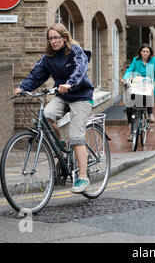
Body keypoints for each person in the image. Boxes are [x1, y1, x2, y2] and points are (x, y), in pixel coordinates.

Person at [13, 23, 94, 194]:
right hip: (62, 95)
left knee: (76, 136)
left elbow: (80, 68)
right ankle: (61, 147)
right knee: (46, 117)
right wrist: (22, 87)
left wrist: (69, 83)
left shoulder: (75, 51)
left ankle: (83, 177)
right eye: (50, 38)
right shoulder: (48, 57)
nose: (53, 41)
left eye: (56, 37)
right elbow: (36, 75)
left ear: (65, 38)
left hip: (81, 96)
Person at [122, 44, 155, 141]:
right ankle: (132, 131)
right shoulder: (136, 60)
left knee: (148, 97)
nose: (145, 53)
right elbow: (129, 70)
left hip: (148, 85)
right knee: (130, 107)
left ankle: (150, 113)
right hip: (137, 86)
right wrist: (125, 79)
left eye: (147, 52)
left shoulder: (153, 60)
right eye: (143, 51)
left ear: (150, 53)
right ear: (140, 52)